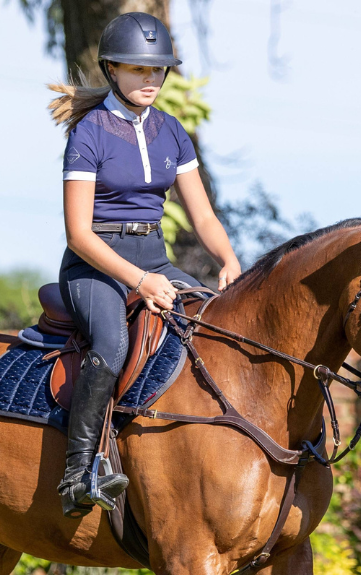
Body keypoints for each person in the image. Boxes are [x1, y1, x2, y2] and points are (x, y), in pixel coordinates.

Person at [48, 12, 241, 518]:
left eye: (158, 71)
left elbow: (202, 214)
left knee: (215, 325)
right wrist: (139, 281)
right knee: (111, 344)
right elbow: (78, 233)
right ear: (112, 69)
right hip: (96, 266)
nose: (151, 80)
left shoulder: (172, 132)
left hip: (155, 257)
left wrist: (228, 260)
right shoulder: (89, 133)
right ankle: (78, 472)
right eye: (139, 70)